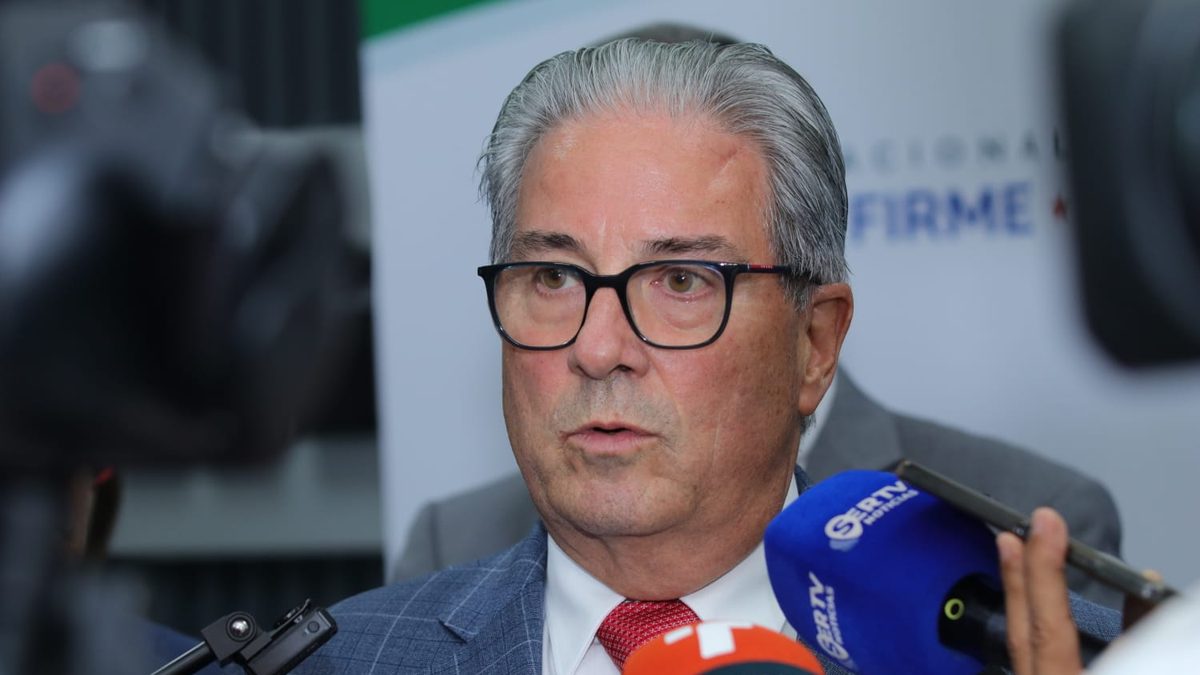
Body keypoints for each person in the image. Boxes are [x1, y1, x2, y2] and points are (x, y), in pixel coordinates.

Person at [394, 369, 1124, 606]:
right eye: (555, 274)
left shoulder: (1024, 529)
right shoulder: (449, 545)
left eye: (680, 277)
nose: (601, 343)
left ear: (815, 330)